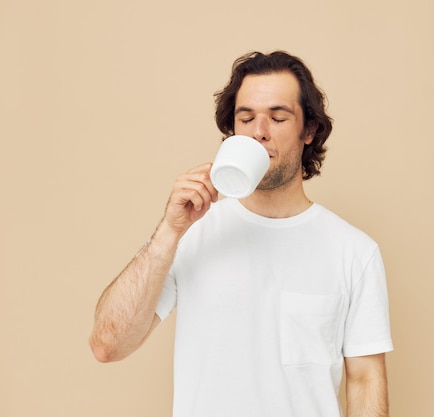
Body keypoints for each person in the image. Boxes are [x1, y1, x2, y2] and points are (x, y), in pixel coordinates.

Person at [89, 50, 393, 417]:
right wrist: (168, 232)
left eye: (278, 117)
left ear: (308, 130)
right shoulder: (191, 233)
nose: (259, 131)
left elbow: (364, 379)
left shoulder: (354, 252)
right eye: (246, 118)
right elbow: (108, 345)